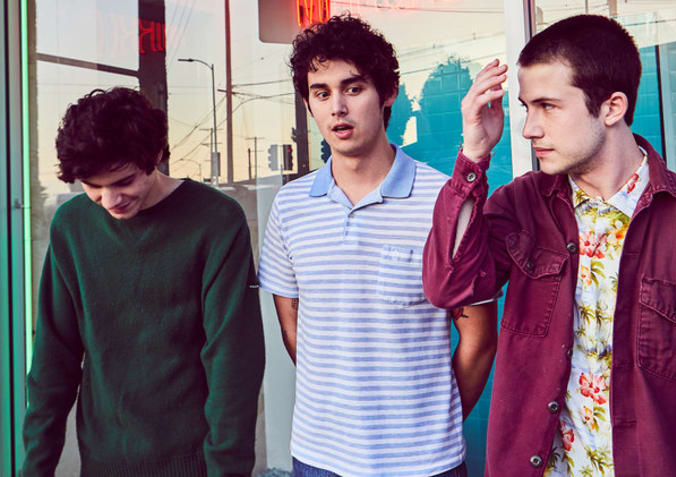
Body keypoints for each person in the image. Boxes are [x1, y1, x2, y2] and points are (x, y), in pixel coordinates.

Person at [422, 13, 676, 476]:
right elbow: (449, 286)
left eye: (548, 106)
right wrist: (474, 155)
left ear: (612, 107)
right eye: (527, 107)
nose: (529, 129)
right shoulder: (521, 205)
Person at [257, 14, 497, 477]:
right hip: (318, 457)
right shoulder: (290, 206)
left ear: (387, 93)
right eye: (321, 93)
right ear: (308, 103)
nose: (337, 108)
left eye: (353, 88)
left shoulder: (444, 200)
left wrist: (431, 426)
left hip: (424, 464)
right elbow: (294, 328)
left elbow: (479, 338)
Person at [22, 87, 265, 476]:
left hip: (195, 463)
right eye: (93, 186)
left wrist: (227, 469)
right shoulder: (71, 226)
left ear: (154, 157)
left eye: (123, 181)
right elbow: (53, 358)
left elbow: (233, 360)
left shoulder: (216, 220)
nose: (110, 200)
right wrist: (36, 467)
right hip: (102, 463)